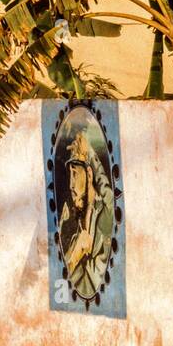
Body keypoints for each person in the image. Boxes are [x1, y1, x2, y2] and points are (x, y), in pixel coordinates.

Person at [57, 129, 113, 300]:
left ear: (89, 174)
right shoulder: (73, 223)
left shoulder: (104, 213)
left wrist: (90, 154)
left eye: (75, 174)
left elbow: (90, 286)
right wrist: (74, 255)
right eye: (69, 175)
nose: (71, 185)